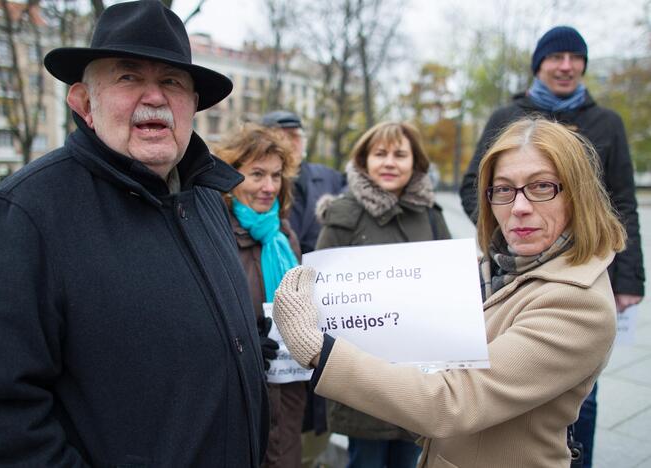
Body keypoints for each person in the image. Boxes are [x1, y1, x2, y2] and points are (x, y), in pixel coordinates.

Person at [0, 1, 268, 466]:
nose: (155, 97)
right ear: (83, 103)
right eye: (127, 77)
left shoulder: (205, 198)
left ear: (192, 104)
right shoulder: (27, 214)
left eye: (172, 82)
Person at [274, 118, 625, 468]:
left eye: (542, 186)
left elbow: (451, 403)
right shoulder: (504, 268)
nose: (518, 207)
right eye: (503, 189)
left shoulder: (577, 305)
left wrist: (318, 348)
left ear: (578, 193)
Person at [458, 26, 644, 467]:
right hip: (518, 271)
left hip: (582, 265)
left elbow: (623, 200)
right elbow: (474, 186)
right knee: (508, 370)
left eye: (574, 58)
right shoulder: (506, 116)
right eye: (556, 57)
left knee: (581, 392)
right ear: (538, 65)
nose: (566, 66)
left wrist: (630, 276)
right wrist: (509, 226)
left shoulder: (607, 123)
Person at [314, 121, 451, 468]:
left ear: (416, 162)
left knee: (412, 460)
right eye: (380, 154)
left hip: (420, 377)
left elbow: (452, 286)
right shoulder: (343, 215)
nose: (390, 162)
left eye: (400, 154)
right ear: (363, 161)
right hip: (363, 379)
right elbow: (317, 291)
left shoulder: (432, 218)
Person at [215, 124, 305, 468]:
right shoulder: (214, 233)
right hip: (237, 393)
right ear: (232, 176)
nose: (269, 187)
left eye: (277, 175)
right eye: (256, 174)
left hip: (288, 387)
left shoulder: (283, 235)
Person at [261, 109, 345, 467]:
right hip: (270, 319)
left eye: (297, 134)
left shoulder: (327, 177)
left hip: (323, 305)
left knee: (312, 417)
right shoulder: (260, 186)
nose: (292, 141)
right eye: (282, 134)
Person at [261, 110, 345, 255]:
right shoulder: (254, 185)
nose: (288, 143)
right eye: (280, 137)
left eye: (294, 136)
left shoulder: (329, 177)